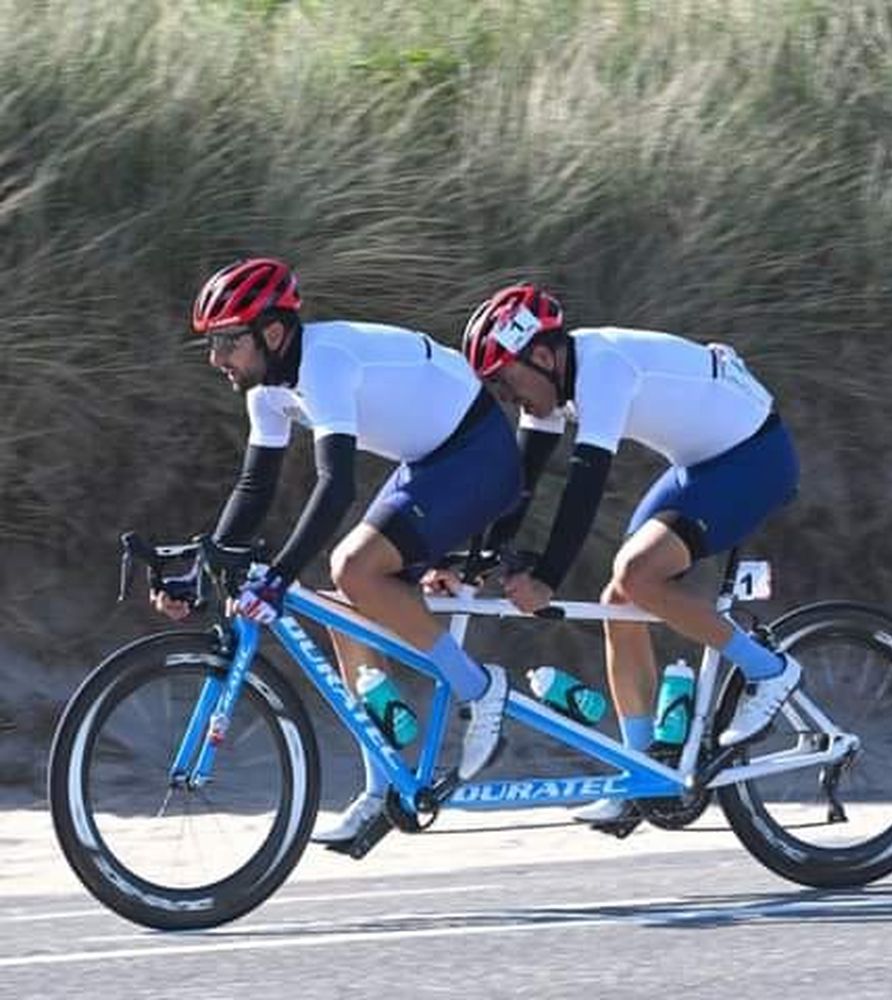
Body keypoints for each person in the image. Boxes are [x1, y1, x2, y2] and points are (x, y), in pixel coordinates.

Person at [153, 257, 523, 847]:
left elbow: (337, 485)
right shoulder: (267, 390)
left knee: (355, 567)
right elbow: (253, 490)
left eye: (228, 342)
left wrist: (276, 577)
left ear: (272, 333)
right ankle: (381, 786)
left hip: (478, 452)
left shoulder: (324, 364)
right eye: (213, 343)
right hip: (429, 460)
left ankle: (482, 690)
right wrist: (201, 571)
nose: (216, 359)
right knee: (341, 597)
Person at [453, 283, 801, 825]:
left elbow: (583, 489)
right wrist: (483, 558)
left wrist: (545, 576)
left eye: (502, 378)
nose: (502, 394)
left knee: (638, 575)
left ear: (542, 356)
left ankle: (770, 670)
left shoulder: (603, 369)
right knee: (620, 598)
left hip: (754, 457)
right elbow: (520, 483)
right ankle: (642, 774)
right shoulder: (551, 386)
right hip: (701, 464)